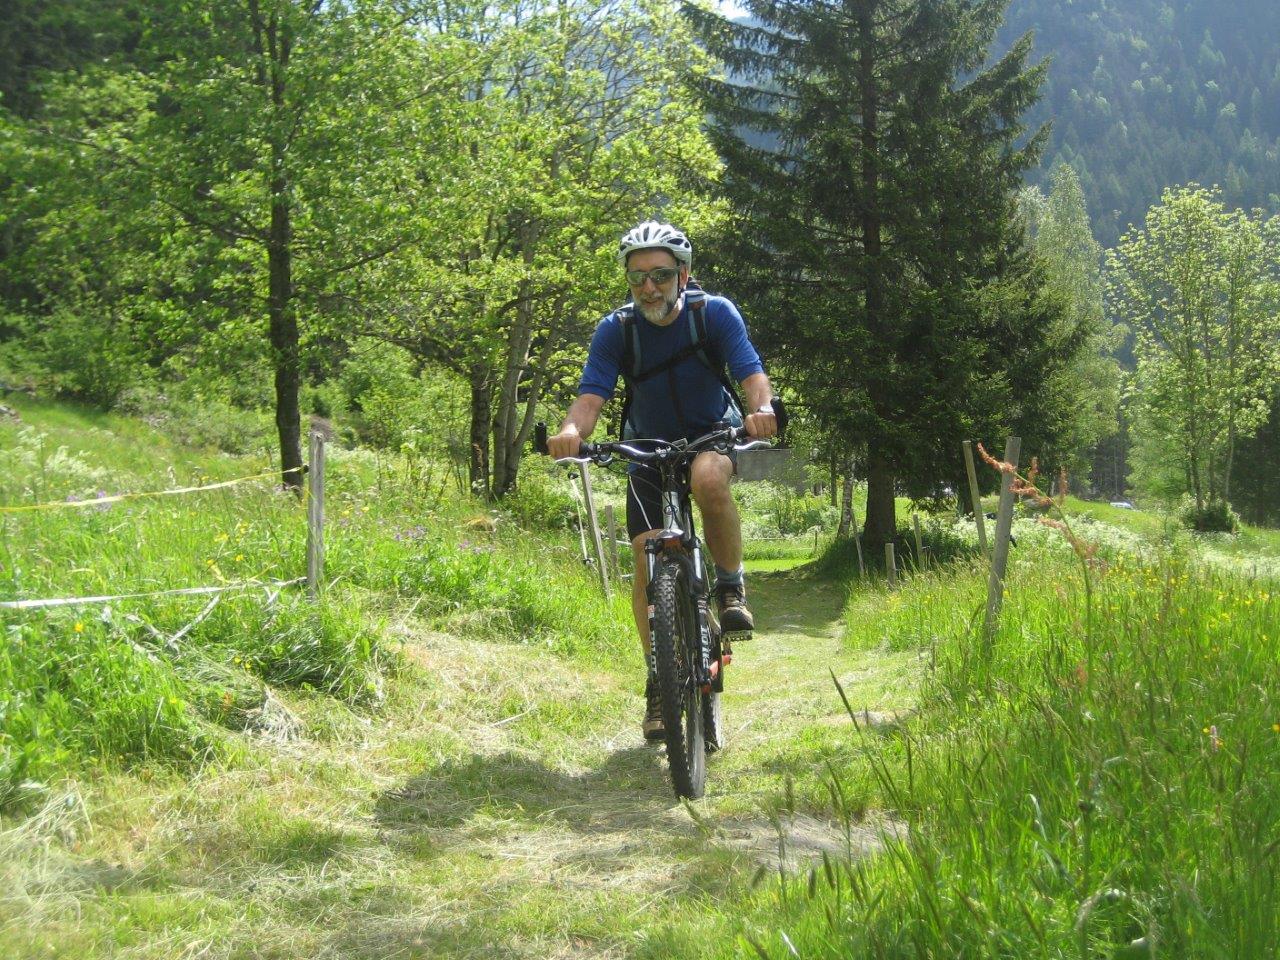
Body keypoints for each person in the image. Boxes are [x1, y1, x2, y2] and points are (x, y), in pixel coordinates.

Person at [547, 221, 777, 741]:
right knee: (646, 560)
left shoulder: (713, 314)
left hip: (711, 435)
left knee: (708, 477)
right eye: (637, 278)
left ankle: (730, 586)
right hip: (646, 445)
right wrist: (569, 431)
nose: (649, 287)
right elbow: (591, 396)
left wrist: (760, 408)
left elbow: (750, 372)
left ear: (683, 274)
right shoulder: (616, 330)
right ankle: (659, 681)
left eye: (661, 275)